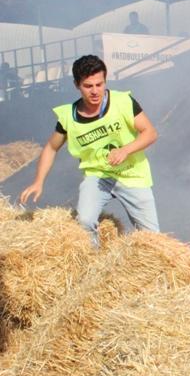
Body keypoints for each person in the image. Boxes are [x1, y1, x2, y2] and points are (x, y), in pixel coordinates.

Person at [19, 55, 160, 246]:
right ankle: (93, 263)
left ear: (105, 81)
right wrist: (38, 182)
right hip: (97, 175)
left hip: (131, 174)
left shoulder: (123, 101)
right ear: (77, 84)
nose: (95, 91)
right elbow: (51, 148)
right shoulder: (69, 116)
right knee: (84, 220)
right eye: (88, 86)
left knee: (152, 238)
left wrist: (125, 150)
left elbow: (150, 133)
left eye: (99, 84)